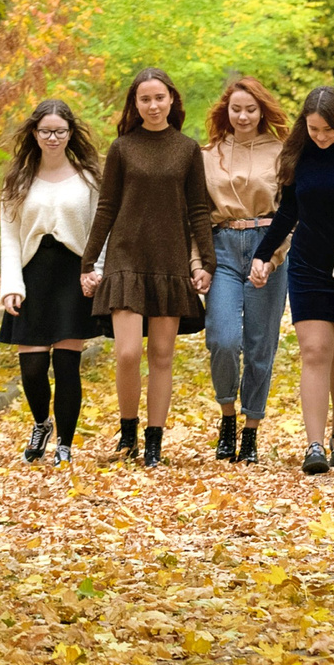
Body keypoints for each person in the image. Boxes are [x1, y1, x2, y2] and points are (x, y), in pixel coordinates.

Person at [81, 67, 214, 466]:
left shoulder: (187, 149)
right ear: (135, 104)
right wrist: (88, 261)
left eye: (159, 98)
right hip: (126, 258)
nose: (153, 105)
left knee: (161, 355)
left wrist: (206, 262)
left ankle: (154, 441)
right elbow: (107, 207)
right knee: (126, 354)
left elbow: (198, 209)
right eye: (145, 99)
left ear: (171, 100)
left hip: (170, 260)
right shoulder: (122, 148)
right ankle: (128, 435)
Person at [252, 87, 334, 475]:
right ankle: (314, 444)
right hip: (308, 265)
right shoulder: (298, 155)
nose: (320, 137)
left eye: (327, 129)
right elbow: (288, 211)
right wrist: (263, 255)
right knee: (315, 351)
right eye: (313, 129)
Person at [0, 99, 106, 464]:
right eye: (46, 131)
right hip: (32, 276)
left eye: (60, 131)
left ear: (71, 133)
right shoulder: (18, 180)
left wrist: (96, 271)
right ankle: (42, 423)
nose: (53, 138)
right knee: (32, 369)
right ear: (34, 133)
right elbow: (9, 237)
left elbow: (100, 231)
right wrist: (11, 286)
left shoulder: (88, 179)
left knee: (66, 365)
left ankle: (65, 445)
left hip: (73, 276)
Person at [201, 76, 290, 465]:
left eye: (251, 109)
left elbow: (290, 211)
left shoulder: (282, 152)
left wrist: (272, 257)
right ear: (226, 111)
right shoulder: (208, 154)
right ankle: (227, 417)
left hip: (266, 244)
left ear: (262, 111)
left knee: (260, 344)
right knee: (222, 339)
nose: (243, 116)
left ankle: (251, 428)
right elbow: (197, 213)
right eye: (236, 109)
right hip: (221, 246)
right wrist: (198, 260)